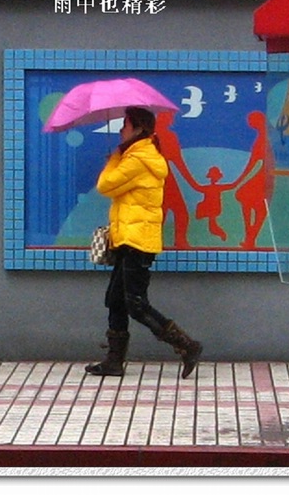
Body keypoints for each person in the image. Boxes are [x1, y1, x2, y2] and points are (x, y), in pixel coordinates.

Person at [85, 106, 203, 379]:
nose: (120, 129)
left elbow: (105, 185)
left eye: (124, 124)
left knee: (136, 304)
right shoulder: (138, 156)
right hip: (128, 237)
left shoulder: (139, 159)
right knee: (115, 300)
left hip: (138, 241)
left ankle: (188, 345)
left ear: (138, 128)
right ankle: (114, 361)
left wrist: (114, 159)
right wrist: (118, 158)